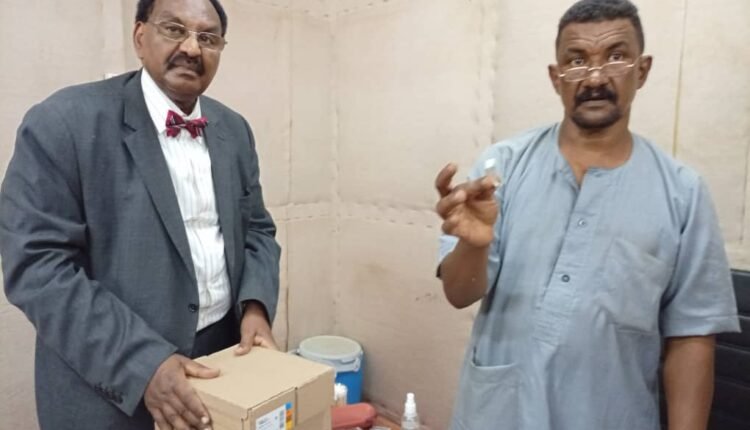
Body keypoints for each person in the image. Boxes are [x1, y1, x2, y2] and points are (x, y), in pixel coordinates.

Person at [434, 1, 740, 429]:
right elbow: (459, 294)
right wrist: (473, 245)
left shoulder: (682, 193)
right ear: (556, 77)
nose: (595, 78)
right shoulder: (501, 168)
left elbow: (692, 337)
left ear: (642, 70)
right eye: (577, 61)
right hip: (500, 414)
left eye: (616, 56)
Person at [0, 0, 281, 428]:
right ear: (139, 36)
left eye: (208, 38)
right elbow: (38, 266)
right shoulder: (63, 122)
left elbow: (257, 229)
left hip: (220, 368)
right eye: (174, 29)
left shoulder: (235, 130)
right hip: (109, 388)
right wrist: (143, 364)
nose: (192, 48)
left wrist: (255, 307)